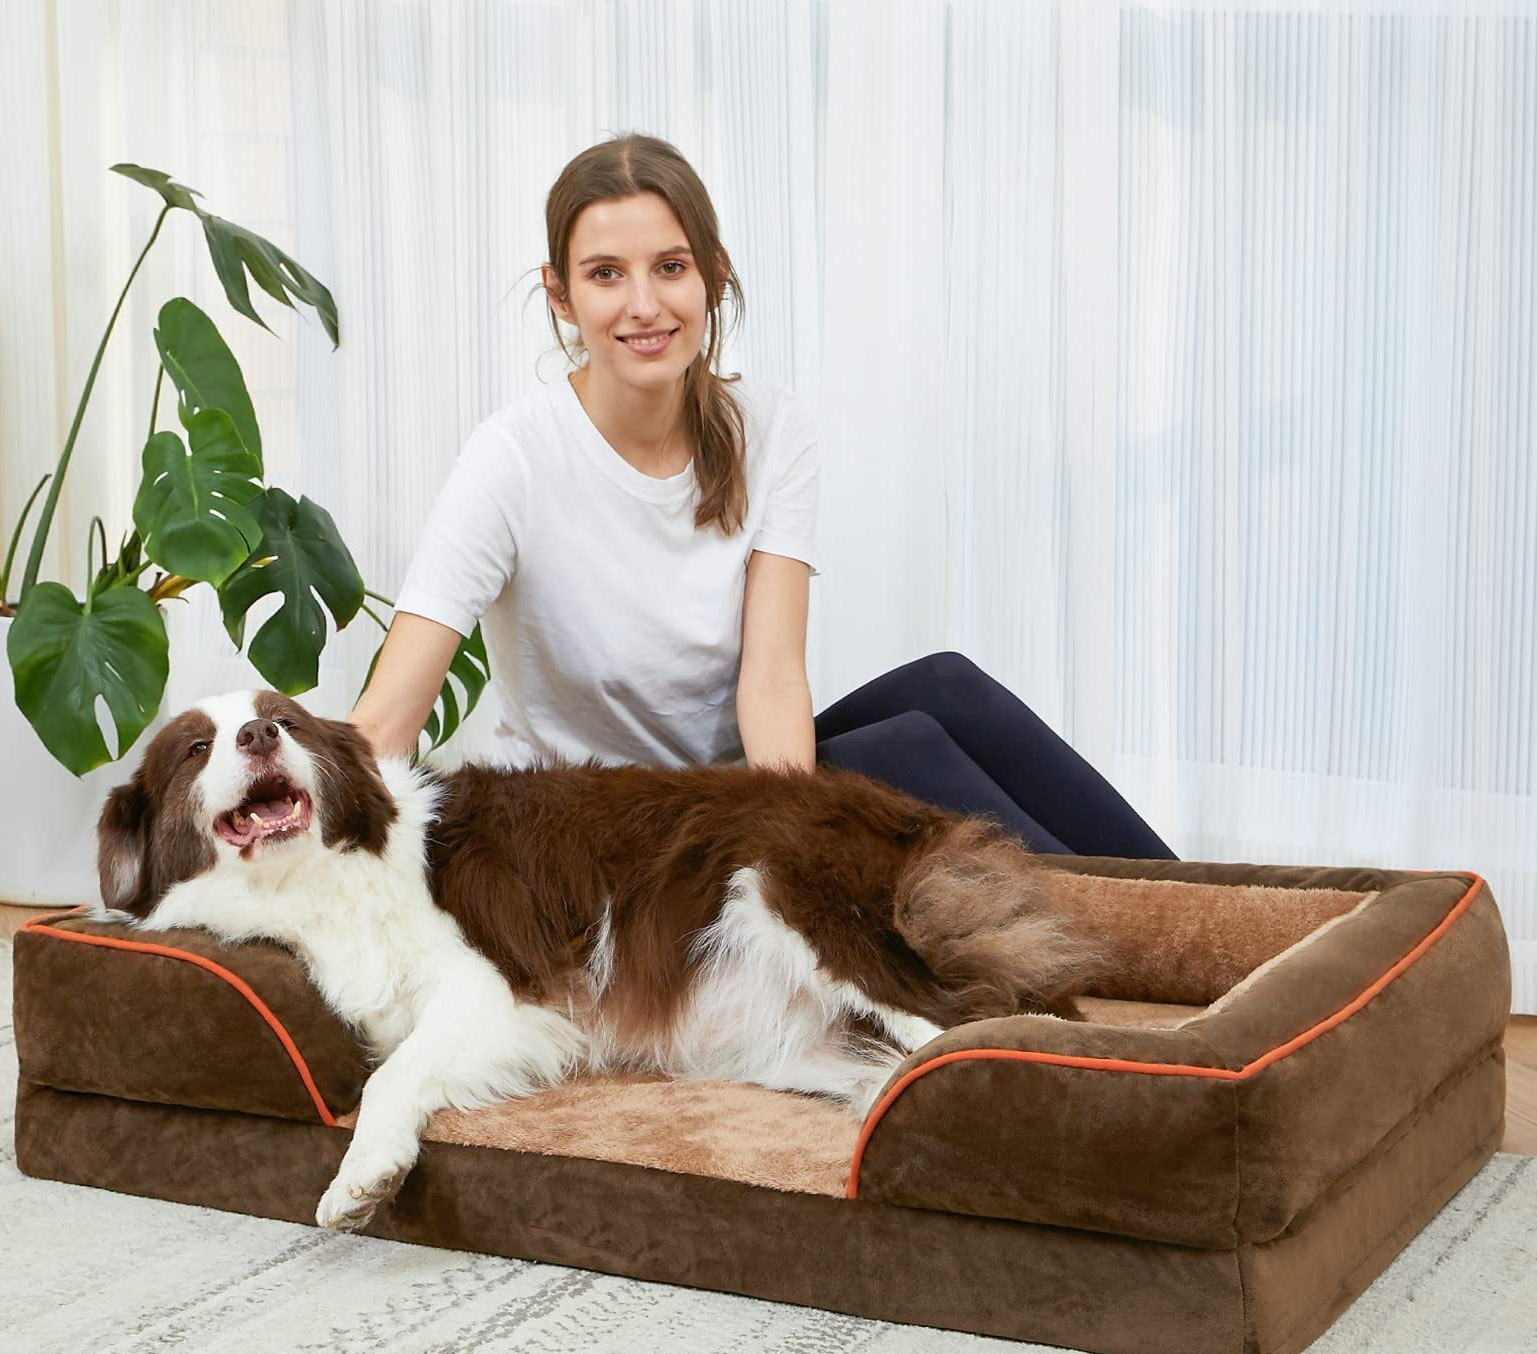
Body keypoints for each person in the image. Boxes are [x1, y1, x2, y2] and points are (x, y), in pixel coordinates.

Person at [348, 133, 1175, 862]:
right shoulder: (511, 460)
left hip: (722, 796)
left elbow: (773, 678)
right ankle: (1141, 943)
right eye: (606, 275)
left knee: (946, 687)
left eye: (670, 267)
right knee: (903, 752)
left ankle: (1210, 904)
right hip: (589, 831)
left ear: (713, 275)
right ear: (561, 294)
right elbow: (386, 720)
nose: (644, 305)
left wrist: (785, 832)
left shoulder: (772, 428)